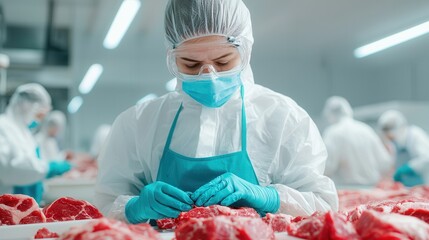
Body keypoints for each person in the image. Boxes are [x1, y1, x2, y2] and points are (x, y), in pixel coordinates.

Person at [95, 0, 338, 224]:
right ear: (172, 57)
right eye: (191, 64)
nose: (209, 75)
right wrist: (133, 207)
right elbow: (105, 204)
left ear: (245, 50)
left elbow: (323, 204)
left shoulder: (283, 118)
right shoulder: (139, 123)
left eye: (223, 62)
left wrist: (271, 198)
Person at [0, 83, 71, 203]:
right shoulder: (3, 126)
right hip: (8, 203)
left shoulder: (25, 132)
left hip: (27, 203)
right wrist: (48, 168)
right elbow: (9, 169)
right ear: (26, 106)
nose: (39, 120)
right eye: (38, 114)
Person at [322, 96, 393, 186]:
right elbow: (385, 163)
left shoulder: (332, 133)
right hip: (372, 190)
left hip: (345, 191)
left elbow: (326, 168)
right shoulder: (366, 129)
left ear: (329, 115)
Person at [378, 110, 429, 187]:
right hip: (404, 186)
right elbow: (391, 163)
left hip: (423, 183)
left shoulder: (415, 135)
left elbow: (426, 157)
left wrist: (408, 168)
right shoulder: (394, 143)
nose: (390, 137)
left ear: (399, 128)